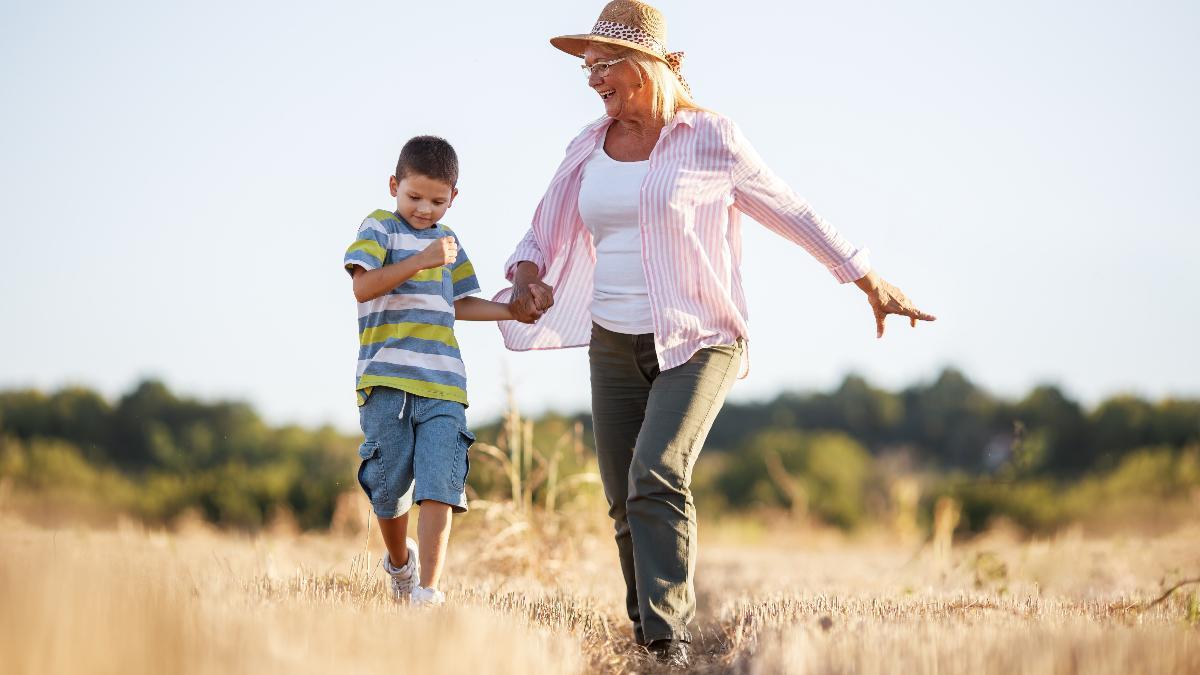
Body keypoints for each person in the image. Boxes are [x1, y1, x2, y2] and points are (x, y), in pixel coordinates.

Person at [494, 0, 936, 666]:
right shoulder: (587, 146)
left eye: (602, 66)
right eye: (586, 69)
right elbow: (540, 232)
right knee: (622, 496)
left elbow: (793, 210)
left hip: (700, 337)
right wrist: (528, 278)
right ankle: (646, 633)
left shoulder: (712, 139)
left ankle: (669, 640)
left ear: (642, 66)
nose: (592, 81)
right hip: (614, 339)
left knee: (656, 470)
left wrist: (868, 279)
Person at [344, 135, 548, 606]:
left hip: (444, 386)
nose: (424, 209)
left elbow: (459, 304)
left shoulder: (449, 243)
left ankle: (428, 594)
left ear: (453, 197)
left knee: (441, 483)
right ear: (394, 185)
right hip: (386, 382)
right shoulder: (379, 227)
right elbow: (363, 288)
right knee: (388, 488)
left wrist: (511, 311)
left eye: (437, 201)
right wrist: (419, 261)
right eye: (414, 197)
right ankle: (399, 563)